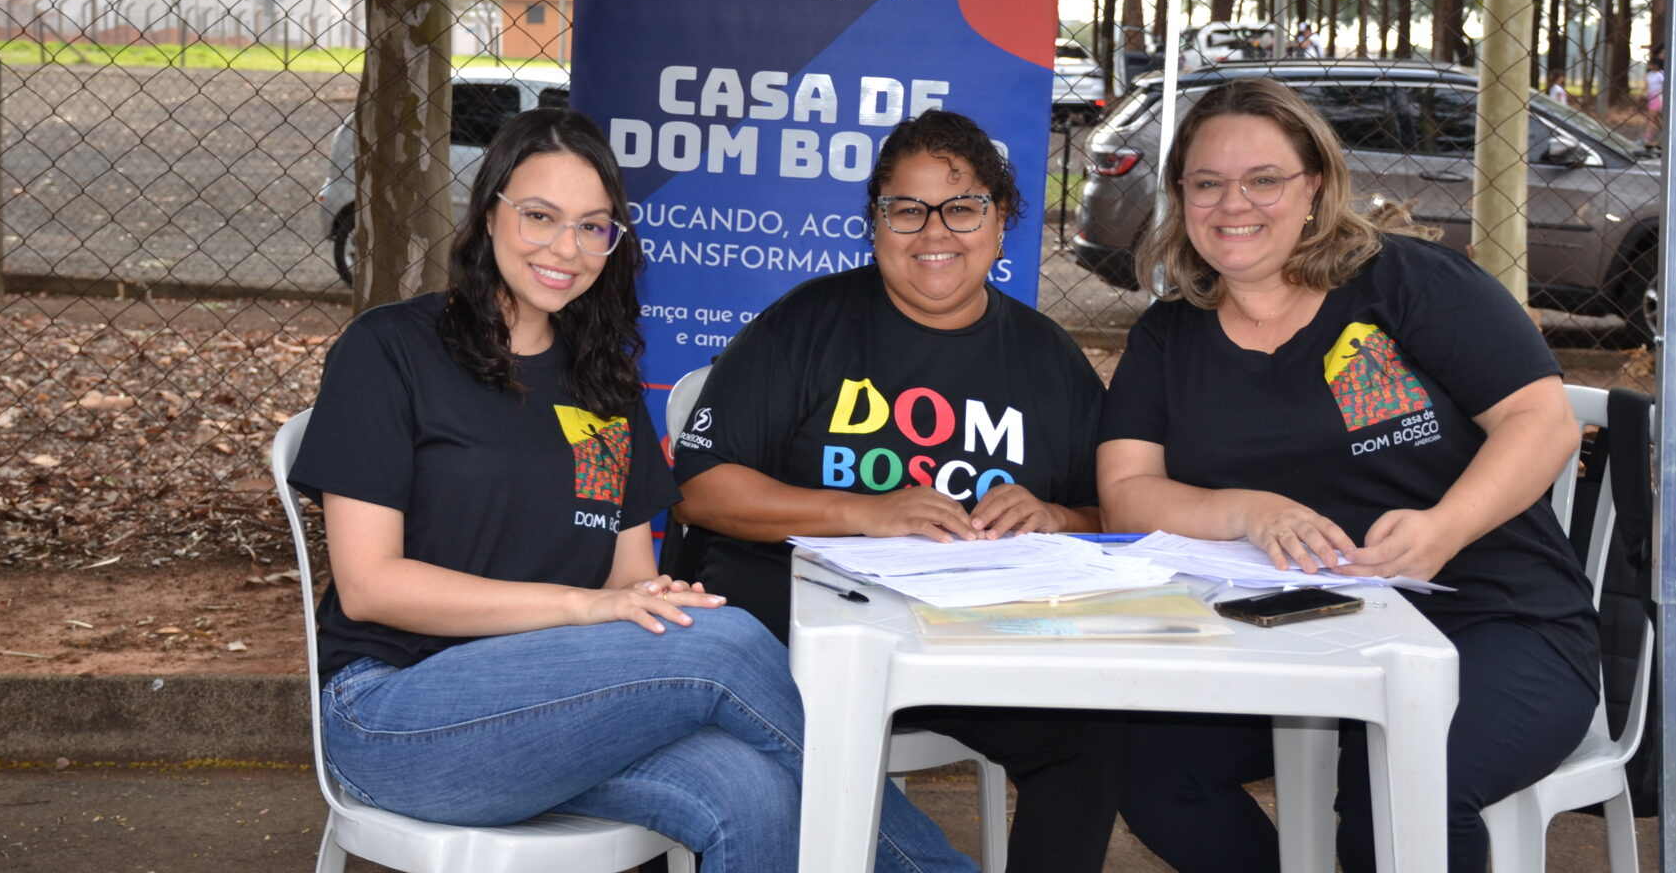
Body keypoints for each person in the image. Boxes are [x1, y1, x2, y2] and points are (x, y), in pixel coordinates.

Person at [287, 107, 973, 873]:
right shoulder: (391, 350)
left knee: (757, 791)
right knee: (725, 642)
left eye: (593, 227)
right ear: (488, 213)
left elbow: (627, 579)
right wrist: (586, 609)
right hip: (395, 717)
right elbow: (370, 586)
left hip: (564, 708)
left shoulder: (600, 383)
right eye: (540, 216)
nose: (566, 248)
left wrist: (648, 602)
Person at [1096, 78, 1599, 873]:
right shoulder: (1169, 336)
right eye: (1207, 183)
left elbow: (1542, 422)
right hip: (1287, 631)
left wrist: (1444, 528)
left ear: (1315, 187)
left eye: (1264, 179)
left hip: (1491, 619)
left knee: (1401, 785)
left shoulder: (1406, 282)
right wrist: (1250, 511)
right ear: (1181, 196)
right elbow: (1127, 493)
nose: (1234, 204)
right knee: (1153, 774)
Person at [671, 108, 1125, 873]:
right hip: (792, 645)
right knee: (760, 761)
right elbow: (700, 490)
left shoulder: (1049, 360)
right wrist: (863, 513)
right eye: (906, 209)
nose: (933, 232)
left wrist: (1055, 516)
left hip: (970, 645)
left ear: (1001, 220)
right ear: (875, 224)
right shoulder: (806, 324)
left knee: (1088, 738)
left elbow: (1113, 515)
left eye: (962, 207)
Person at [1641, 48, 1666, 151]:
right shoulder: (1649, 74)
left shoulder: (1661, 74)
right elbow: (1646, 86)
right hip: (1651, 96)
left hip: (1658, 97)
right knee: (1655, 118)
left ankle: (1647, 136)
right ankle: (1666, 133)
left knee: (1652, 117)